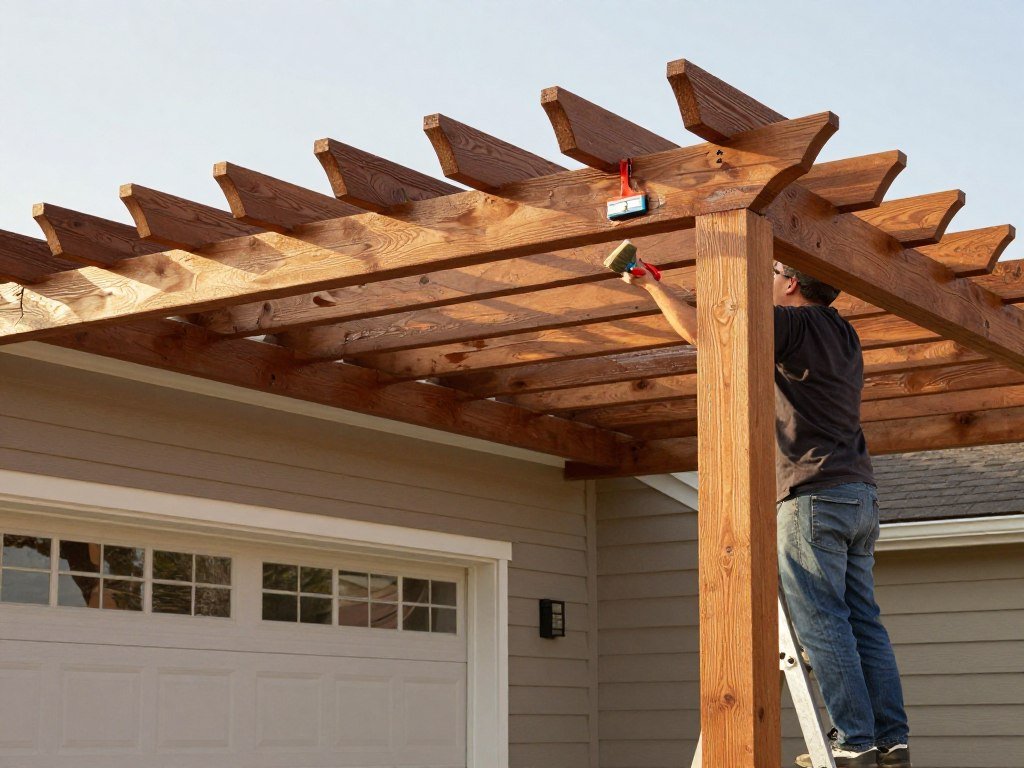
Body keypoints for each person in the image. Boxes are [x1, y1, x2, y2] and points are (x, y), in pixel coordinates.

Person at [622, 259, 910, 768]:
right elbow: (728, 312)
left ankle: (855, 741)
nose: (768, 280)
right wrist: (677, 285)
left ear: (792, 283)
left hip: (813, 496)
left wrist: (651, 288)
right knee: (864, 621)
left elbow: (708, 331)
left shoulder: (795, 324)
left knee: (824, 622)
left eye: (774, 271)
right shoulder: (843, 332)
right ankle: (889, 739)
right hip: (858, 495)